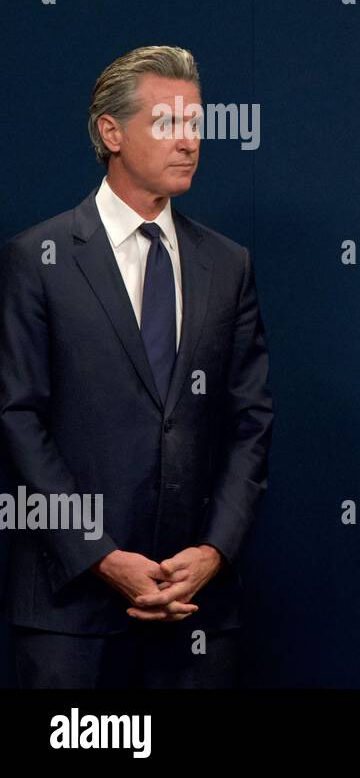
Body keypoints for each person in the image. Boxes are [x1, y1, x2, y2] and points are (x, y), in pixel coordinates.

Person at [0, 46, 273, 688]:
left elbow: (251, 421)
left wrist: (213, 551)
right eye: (168, 123)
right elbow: (17, 421)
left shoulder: (228, 265)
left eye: (196, 123)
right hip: (70, 611)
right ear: (111, 132)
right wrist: (99, 554)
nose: (190, 142)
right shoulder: (36, 259)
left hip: (197, 608)